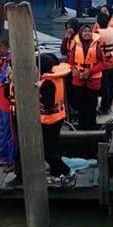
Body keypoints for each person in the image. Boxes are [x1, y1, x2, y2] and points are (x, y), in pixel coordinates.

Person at [39, 53, 73, 183]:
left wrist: (37, 94)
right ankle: (55, 173)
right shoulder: (57, 78)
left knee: (47, 152)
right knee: (53, 147)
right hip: (58, 117)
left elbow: (48, 103)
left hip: (50, 120)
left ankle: (67, 171)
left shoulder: (47, 83)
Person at [68, 24, 104, 130]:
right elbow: (70, 62)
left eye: (89, 31)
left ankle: (91, 125)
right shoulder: (75, 46)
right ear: (80, 33)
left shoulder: (97, 45)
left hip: (93, 78)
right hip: (78, 78)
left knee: (92, 104)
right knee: (80, 103)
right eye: (84, 31)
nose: (87, 33)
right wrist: (74, 70)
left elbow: (102, 63)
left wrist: (90, 71)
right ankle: (81, 124)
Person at [0, 35, 17, 170]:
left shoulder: (9, 62)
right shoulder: (3, 60)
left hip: (8, 104)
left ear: (3, 47)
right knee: (3, 131)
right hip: (1, 102)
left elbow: (2, 81)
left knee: (9, 133)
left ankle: (10, 160)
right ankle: (3, 157)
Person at [95, 10, 113, 115]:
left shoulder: (97, 34)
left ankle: (104, 107)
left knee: (105, 88)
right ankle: (108, 105)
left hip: (103, 65)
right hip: (112, 62)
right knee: (112, 86)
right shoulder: (112, 31)